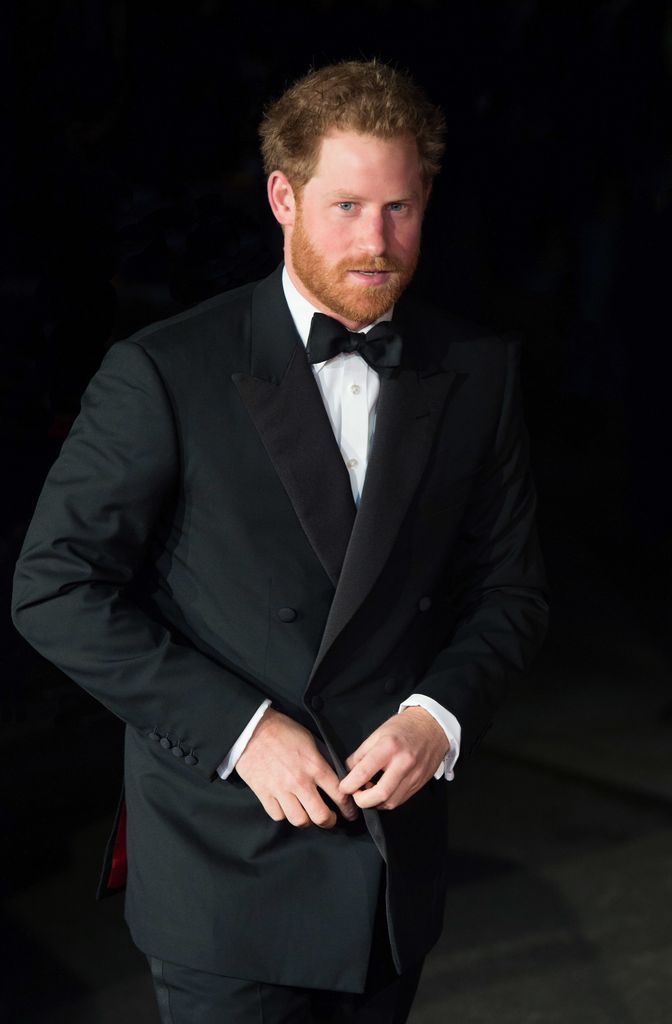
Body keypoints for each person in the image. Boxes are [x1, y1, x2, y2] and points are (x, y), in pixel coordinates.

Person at [12, 60, 549, 1023]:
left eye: (400, 208)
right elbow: (53, 589)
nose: (376, 242)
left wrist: (440, 716)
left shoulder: (478, 370)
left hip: (391, 873)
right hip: (225, 872)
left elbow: (510, 593)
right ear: (282, 197)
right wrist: (241, 733)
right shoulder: (164, 372)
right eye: (345, 206)